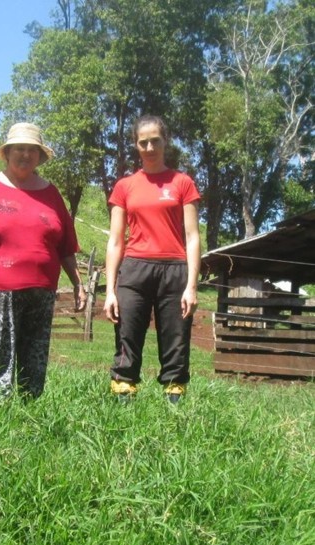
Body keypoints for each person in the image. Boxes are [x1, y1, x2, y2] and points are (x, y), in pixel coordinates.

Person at [0, 122, 87, 399]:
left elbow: (66, 247)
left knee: (35, 354)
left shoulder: (51, 194)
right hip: (0, 288)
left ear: (40, 156)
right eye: (19, 148)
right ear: (7, 152)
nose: (25, 155)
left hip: (42, 292)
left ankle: (31, 412)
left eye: (32, 150)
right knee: (1, 353)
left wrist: (78, 284)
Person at [103, 115, 201, 403]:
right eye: (143, 142)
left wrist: (191, 286)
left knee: (175, 342)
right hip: (134, 271)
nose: (149, 147)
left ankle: (175, 408)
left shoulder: (183, 183)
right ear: (136, 145)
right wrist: (110, 291)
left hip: (175, 270)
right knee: (127, 336)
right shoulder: (124, 186)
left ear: (165, 141)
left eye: (155, 140)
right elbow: (115, 240)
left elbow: (193, 237)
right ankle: (123, 399)